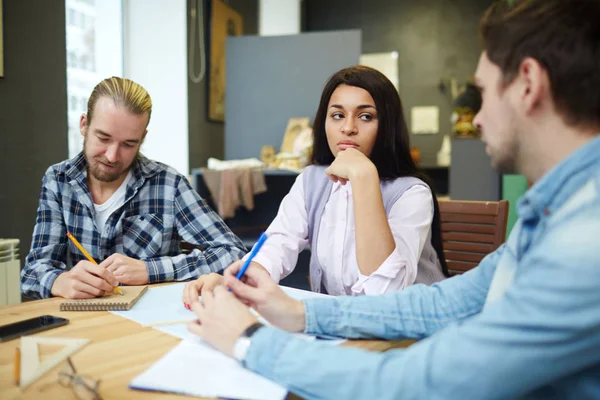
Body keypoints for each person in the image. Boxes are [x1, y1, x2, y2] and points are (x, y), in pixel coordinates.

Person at [185, 0, 600, 398]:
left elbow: (414, 386)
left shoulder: (582, 244)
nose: (475, 118)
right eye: (337, 114)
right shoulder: (553, 214)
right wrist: (303, 313)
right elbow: (444, 304)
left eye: (482, 93)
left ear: (528, 84)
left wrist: (247, 340)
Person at [183, 66, 449, 305]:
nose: (348, 128)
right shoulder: (312, 180)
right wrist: (237, 283)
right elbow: (278, 243)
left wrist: (363, 176)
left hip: (407, 331)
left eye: (366, 116)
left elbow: (386, 296)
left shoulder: (412, 193)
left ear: (387, 126)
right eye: (337, 115)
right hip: (338, 326)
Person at [21, 77, 246, 300]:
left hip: (151, 322)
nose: (112, 156)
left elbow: (233, 252)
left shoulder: (168, 184)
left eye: (128, 144)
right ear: (84, 125)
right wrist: (60, 281)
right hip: (81, 321)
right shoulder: (58, 180)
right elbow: (32, 272)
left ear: (142, 138)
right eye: (103, 138)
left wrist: (150, 270)